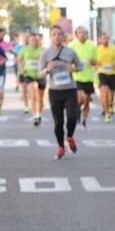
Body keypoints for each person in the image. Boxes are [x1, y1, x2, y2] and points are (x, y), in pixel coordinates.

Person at [40, 25, 85, 160]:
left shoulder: (70, 52)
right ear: (50, 37)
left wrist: (74, 69)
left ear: (63, 37)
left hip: (70, 89)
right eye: (54, 34)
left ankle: (70, 137)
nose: (57, 36)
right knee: (58, 122)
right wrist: (47, 70)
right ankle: (61, 146)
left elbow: (81, 66)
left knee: (72, 117)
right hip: (55, 91)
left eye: (59, 34)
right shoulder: (45, 54)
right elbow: (39, 75)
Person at [70, 26, 98, 129]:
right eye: (80, 33)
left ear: (87, 34)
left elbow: (97, 62)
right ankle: (77, 114)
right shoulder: (71, 45)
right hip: (76, 77)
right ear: (76, 34)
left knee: (86, 101)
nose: (82, 35)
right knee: (81, 97)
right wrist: (72, 67)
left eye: (84, 33)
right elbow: (68, 60)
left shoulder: (92, 46)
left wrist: (92, 62)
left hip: (89, 78)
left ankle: (84, 121)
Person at [95, 32, 115, 121]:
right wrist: (96, 64)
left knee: (112, 94)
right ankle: (107, 113)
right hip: (102, 73)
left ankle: (110, 105)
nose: (105, 40)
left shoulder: (114, 48)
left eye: (106, 38)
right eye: (103, 38)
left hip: (112, 73)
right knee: (104, 92)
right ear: (100, 40)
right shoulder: (97, 50)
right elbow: (94, 62)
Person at [22, 32, 45, 125]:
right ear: (29, 41)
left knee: (40, 98)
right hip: (29, 75)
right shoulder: (25, 49)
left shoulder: (43, 50)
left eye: (36, 40)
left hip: (41, 75)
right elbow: (19, 60)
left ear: (38, 40)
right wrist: (21, 68)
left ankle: (39, 114)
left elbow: (48, 61)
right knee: (33, 96)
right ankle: (35, 116)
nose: (34, 41)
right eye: (32, 40)